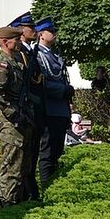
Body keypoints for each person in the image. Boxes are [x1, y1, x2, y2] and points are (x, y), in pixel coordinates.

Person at [0, 26, 33, 207]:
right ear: (5, 42)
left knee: (22, 168)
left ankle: (17, 203)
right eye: (16, 40)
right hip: (11, 124)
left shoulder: (16, 62)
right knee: (11, 167)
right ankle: (7, 206)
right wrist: (12, 112)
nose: (20, 42)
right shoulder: (3, 63)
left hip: (21, 121)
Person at [34, 18, 74, 184]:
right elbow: (40, 83)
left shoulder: (54, 55)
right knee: (48, 154)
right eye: (52, 31)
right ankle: (46, 188)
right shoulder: (37, 55)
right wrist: (62, 90)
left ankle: (53, 186)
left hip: (60, 110)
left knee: (57, 152)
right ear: (42, 35)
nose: (55, 34)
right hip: (49, 110)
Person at [10, 11, 42, 201]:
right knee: (22, 161)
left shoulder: (28, 52)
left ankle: (29, 192)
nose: (34, 30)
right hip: (24, 110)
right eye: (31, 27)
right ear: (21, 30)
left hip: (33, 108)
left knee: (31, 157)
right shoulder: (20, 53)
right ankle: (25, 194)